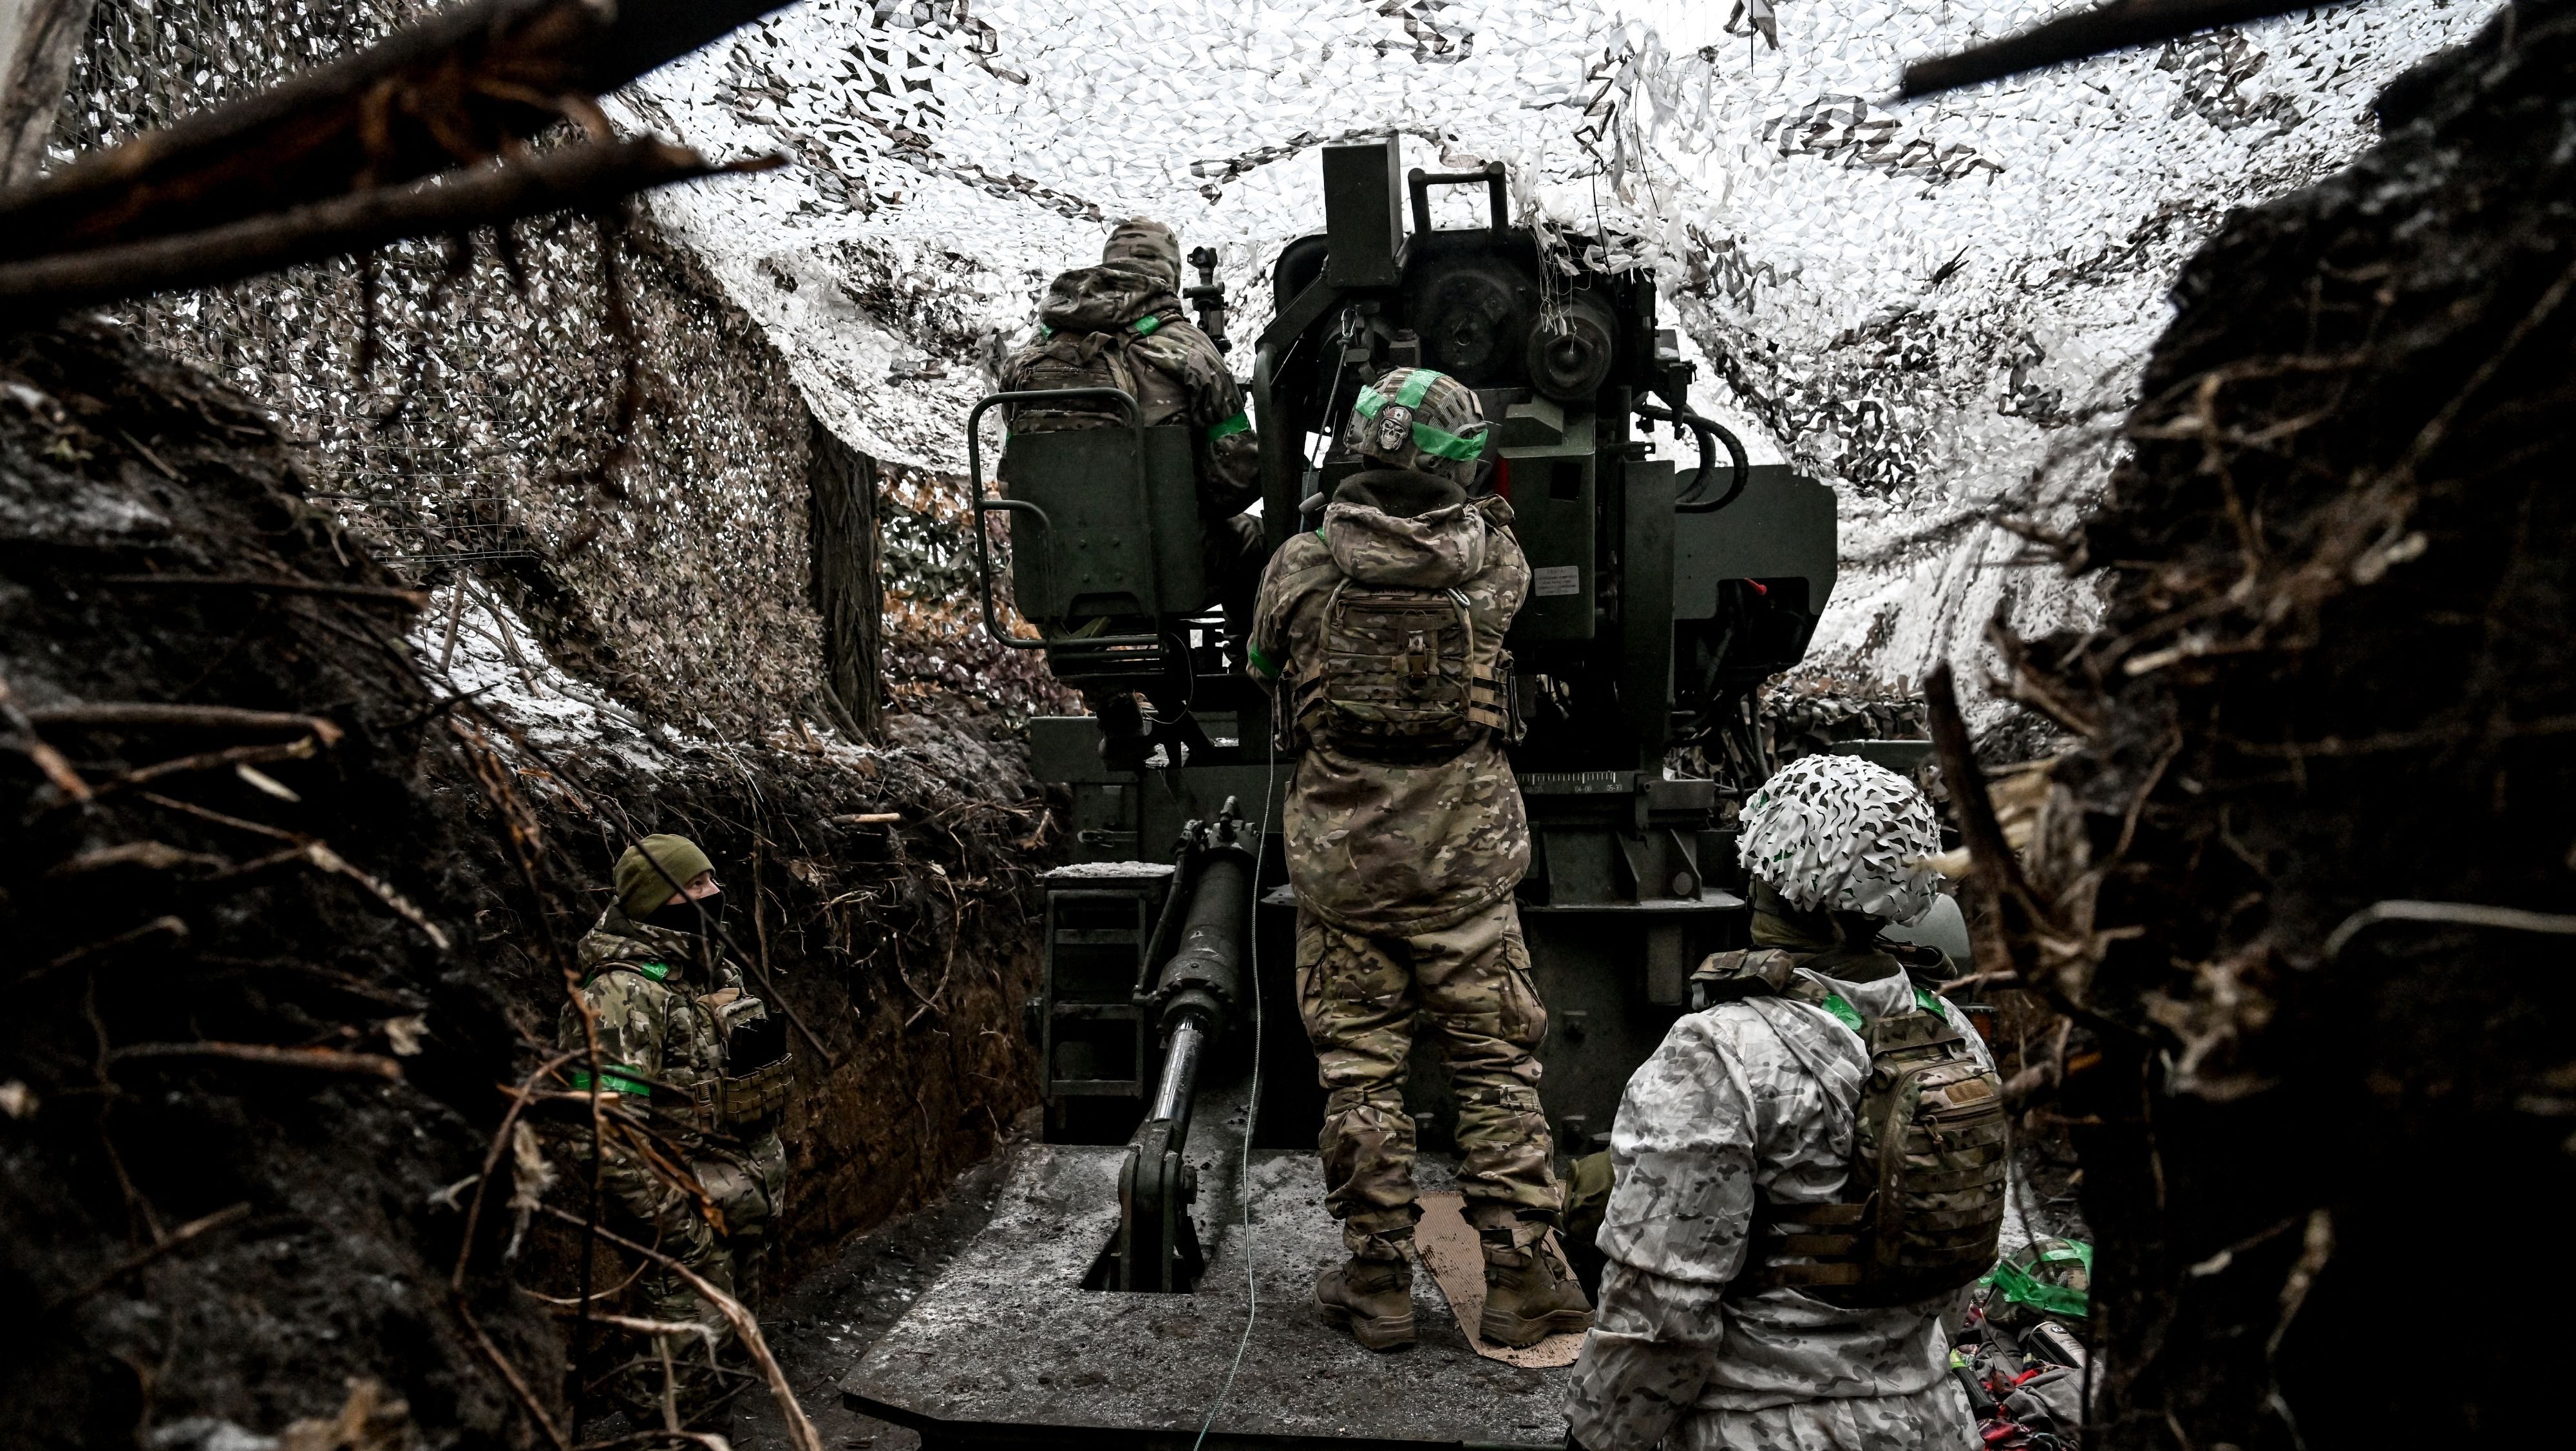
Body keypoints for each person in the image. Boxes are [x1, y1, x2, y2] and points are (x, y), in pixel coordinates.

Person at [1247, 366, 1591, 1352]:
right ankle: (1518, 1281)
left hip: (1344, 872)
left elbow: (1264, 667)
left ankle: (1377, 1284)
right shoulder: (1496, 565)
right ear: (1464, 465)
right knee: (1494, 1067)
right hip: (1466, 871)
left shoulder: (1300, 568)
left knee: (1360, 1075)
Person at [1563, 753, 2003, 1451]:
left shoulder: (1719, 1053)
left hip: (1762, 1428)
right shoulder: (1955, 1038)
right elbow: (1957, 1274)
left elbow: (1661, 1312)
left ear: (1781, 880)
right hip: (1932, 1423)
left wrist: (1599, 1435)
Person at [559, 833, 792, 1426]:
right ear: (653, 900)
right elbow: (605, 1136)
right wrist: (682, 1233)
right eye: (694, 884)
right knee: (676, 1393)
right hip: (686, 1234)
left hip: (741, 1217)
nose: (713, 892)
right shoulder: (620, 994)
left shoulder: (708, 969)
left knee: (724, 1373)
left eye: (711, 879)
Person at [998, 217, 1263, 629]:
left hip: (1055, 575)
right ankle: (1251, 659)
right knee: (1265, 543)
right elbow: (1237, 481)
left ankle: (1087, 670)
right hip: (1171, 569)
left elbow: (1013, 483)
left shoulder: (1029, 357)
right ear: (1171, 276)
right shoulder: (1188, 348)